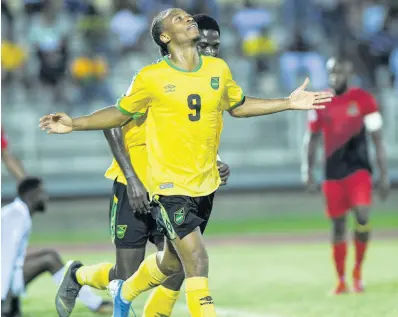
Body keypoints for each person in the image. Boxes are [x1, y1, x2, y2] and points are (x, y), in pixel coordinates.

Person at [39, 8, 332, 317]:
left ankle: (124, 295)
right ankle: (85, 277)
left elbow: (224, 113)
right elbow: (118, 117)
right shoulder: (151, 78)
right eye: (178, 18)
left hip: (201, 185)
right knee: (192, 261)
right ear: (165, 37)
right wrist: (76, 124)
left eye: (190, 18)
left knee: (173, 264)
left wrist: (288, 102)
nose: (188, 19)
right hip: (151, 182)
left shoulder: (217, 71)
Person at [52, 14, 230, 317]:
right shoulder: (155, 79)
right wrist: (133, 179)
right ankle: (78, 275)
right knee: (126, 273)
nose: (210, 52)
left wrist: (214, 162)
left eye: (215, 47)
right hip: (134, 184)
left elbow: (194, 135)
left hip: (173, 187)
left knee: (177, 264)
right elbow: (113, 124)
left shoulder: (209, 80)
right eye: (205, 45)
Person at [302, 57, 389, 294]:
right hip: (332, 174)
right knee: (338, 226)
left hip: (359, 170)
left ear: (348, 74)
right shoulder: (322, 102)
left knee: (362, 216)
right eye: (331, 73)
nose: (334, 77)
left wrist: (384, 174)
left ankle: (358, 272)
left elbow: (377, 139)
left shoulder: (364, 100)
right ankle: (341, 280)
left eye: (338, 73)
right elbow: (312, 139)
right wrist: (307, 170)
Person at [1, 177, 112, 317]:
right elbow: (5, 256)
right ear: (32, 194)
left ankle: (95, 303)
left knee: (50, 255)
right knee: (49, 259)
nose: (46, 197)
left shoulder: (18, 212)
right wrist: (3, 298)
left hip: (8, 276)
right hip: (3, 279)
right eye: (42, 192)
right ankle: (95, 304)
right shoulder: (15, 215)